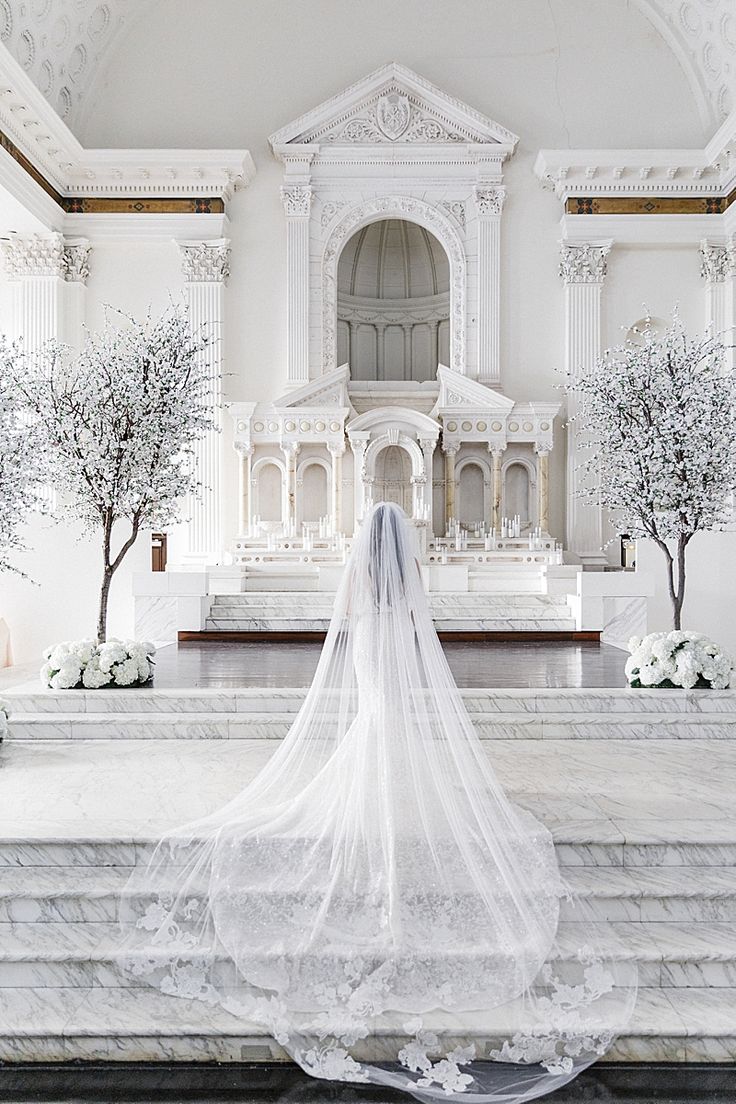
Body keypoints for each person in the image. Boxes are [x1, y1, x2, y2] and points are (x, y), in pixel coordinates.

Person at [121, 502, 636, 1102]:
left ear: (367, 539)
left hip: (369, 640)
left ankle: (378, 788)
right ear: (402, 539)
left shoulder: (358, 568)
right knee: (393, 719)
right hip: (395, 641)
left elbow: (342, 615)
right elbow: (421, 615)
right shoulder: (410, 566)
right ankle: (398, 790)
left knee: (374, 715)